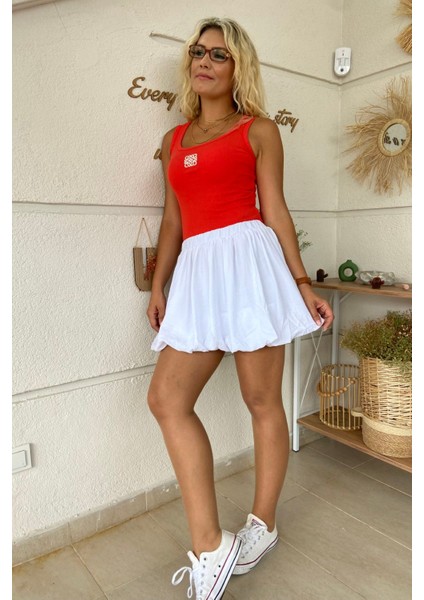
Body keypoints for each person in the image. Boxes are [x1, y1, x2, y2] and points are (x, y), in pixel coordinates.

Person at [146, 16, 334, 600]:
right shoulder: (173, 141)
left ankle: (263, 525)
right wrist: (159, 284)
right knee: (167, 399)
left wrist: (300, 282)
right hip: (198, 275)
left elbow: (274, 209)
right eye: (198, 52)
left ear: (238, 67)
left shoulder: (259, 131)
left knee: (261, 400)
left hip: (250, 267)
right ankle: (211, 545)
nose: (204, 61)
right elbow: (174, 221)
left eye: (218, 55)